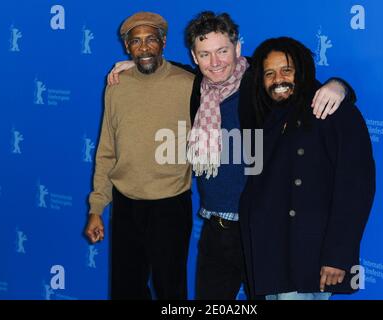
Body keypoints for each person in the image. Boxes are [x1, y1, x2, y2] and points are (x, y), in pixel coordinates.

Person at [107, 11, 355, 300]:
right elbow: (171, 72)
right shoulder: (197, 88)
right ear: (195, 57)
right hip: (216, 229)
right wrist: (139, 63)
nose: (215, 62)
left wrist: (340, 86)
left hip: (260, 229)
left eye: (223, 51)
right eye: (205, 54)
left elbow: (306, 88)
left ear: (238, 48)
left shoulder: (261, 84)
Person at [239, 36, 375, 300]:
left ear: (301, 71)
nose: (278, 79)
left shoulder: (334, 111)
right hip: (270, 253)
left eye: (286, 70)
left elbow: (355, 189)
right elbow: (219, 71)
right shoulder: (268, 113)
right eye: (269, 73)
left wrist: (338, 255)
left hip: (308, 256)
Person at [84, 11, 195, 300]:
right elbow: (107, 151)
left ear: (164, 42)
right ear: (127, 47)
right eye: (136, 41)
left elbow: (229, 76)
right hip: (126, 206)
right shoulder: (116, 87)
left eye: (150, 40)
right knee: (125, 290)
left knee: (171, 292)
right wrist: (97, 207)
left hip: (170, 205)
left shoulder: (189, 84)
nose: (144, 48)